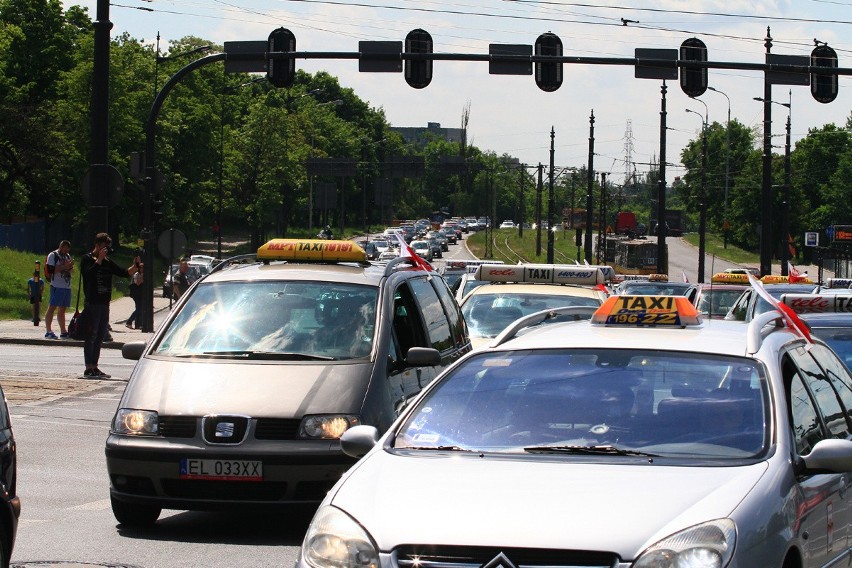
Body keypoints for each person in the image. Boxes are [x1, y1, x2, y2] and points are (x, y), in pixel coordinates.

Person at [80, 232, 142, 378]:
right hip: (92, 303)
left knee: (100, 336)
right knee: (91, 336)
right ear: (97, 245)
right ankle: (88, 368)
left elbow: (124, 273)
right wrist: (99, 259)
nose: (106, 249)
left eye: (108, 247)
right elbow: (88, 275)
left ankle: (94, 367)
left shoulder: (107, 262)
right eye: (104, 246)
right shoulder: (87, 259)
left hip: (104, 304)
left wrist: (135, 265)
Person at [44, 239, 73, 339]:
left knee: (62, 309)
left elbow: (70, 270)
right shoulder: (53, 255)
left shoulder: (67, 256)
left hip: (66, 285)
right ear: (61, 247)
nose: (65, 252)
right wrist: (64, 266)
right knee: (52, 307)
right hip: (57, 285)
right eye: (64, 250)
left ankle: (63, 331)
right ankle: (48, 330)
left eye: (67, 251)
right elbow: (50, 270)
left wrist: (70, 268)